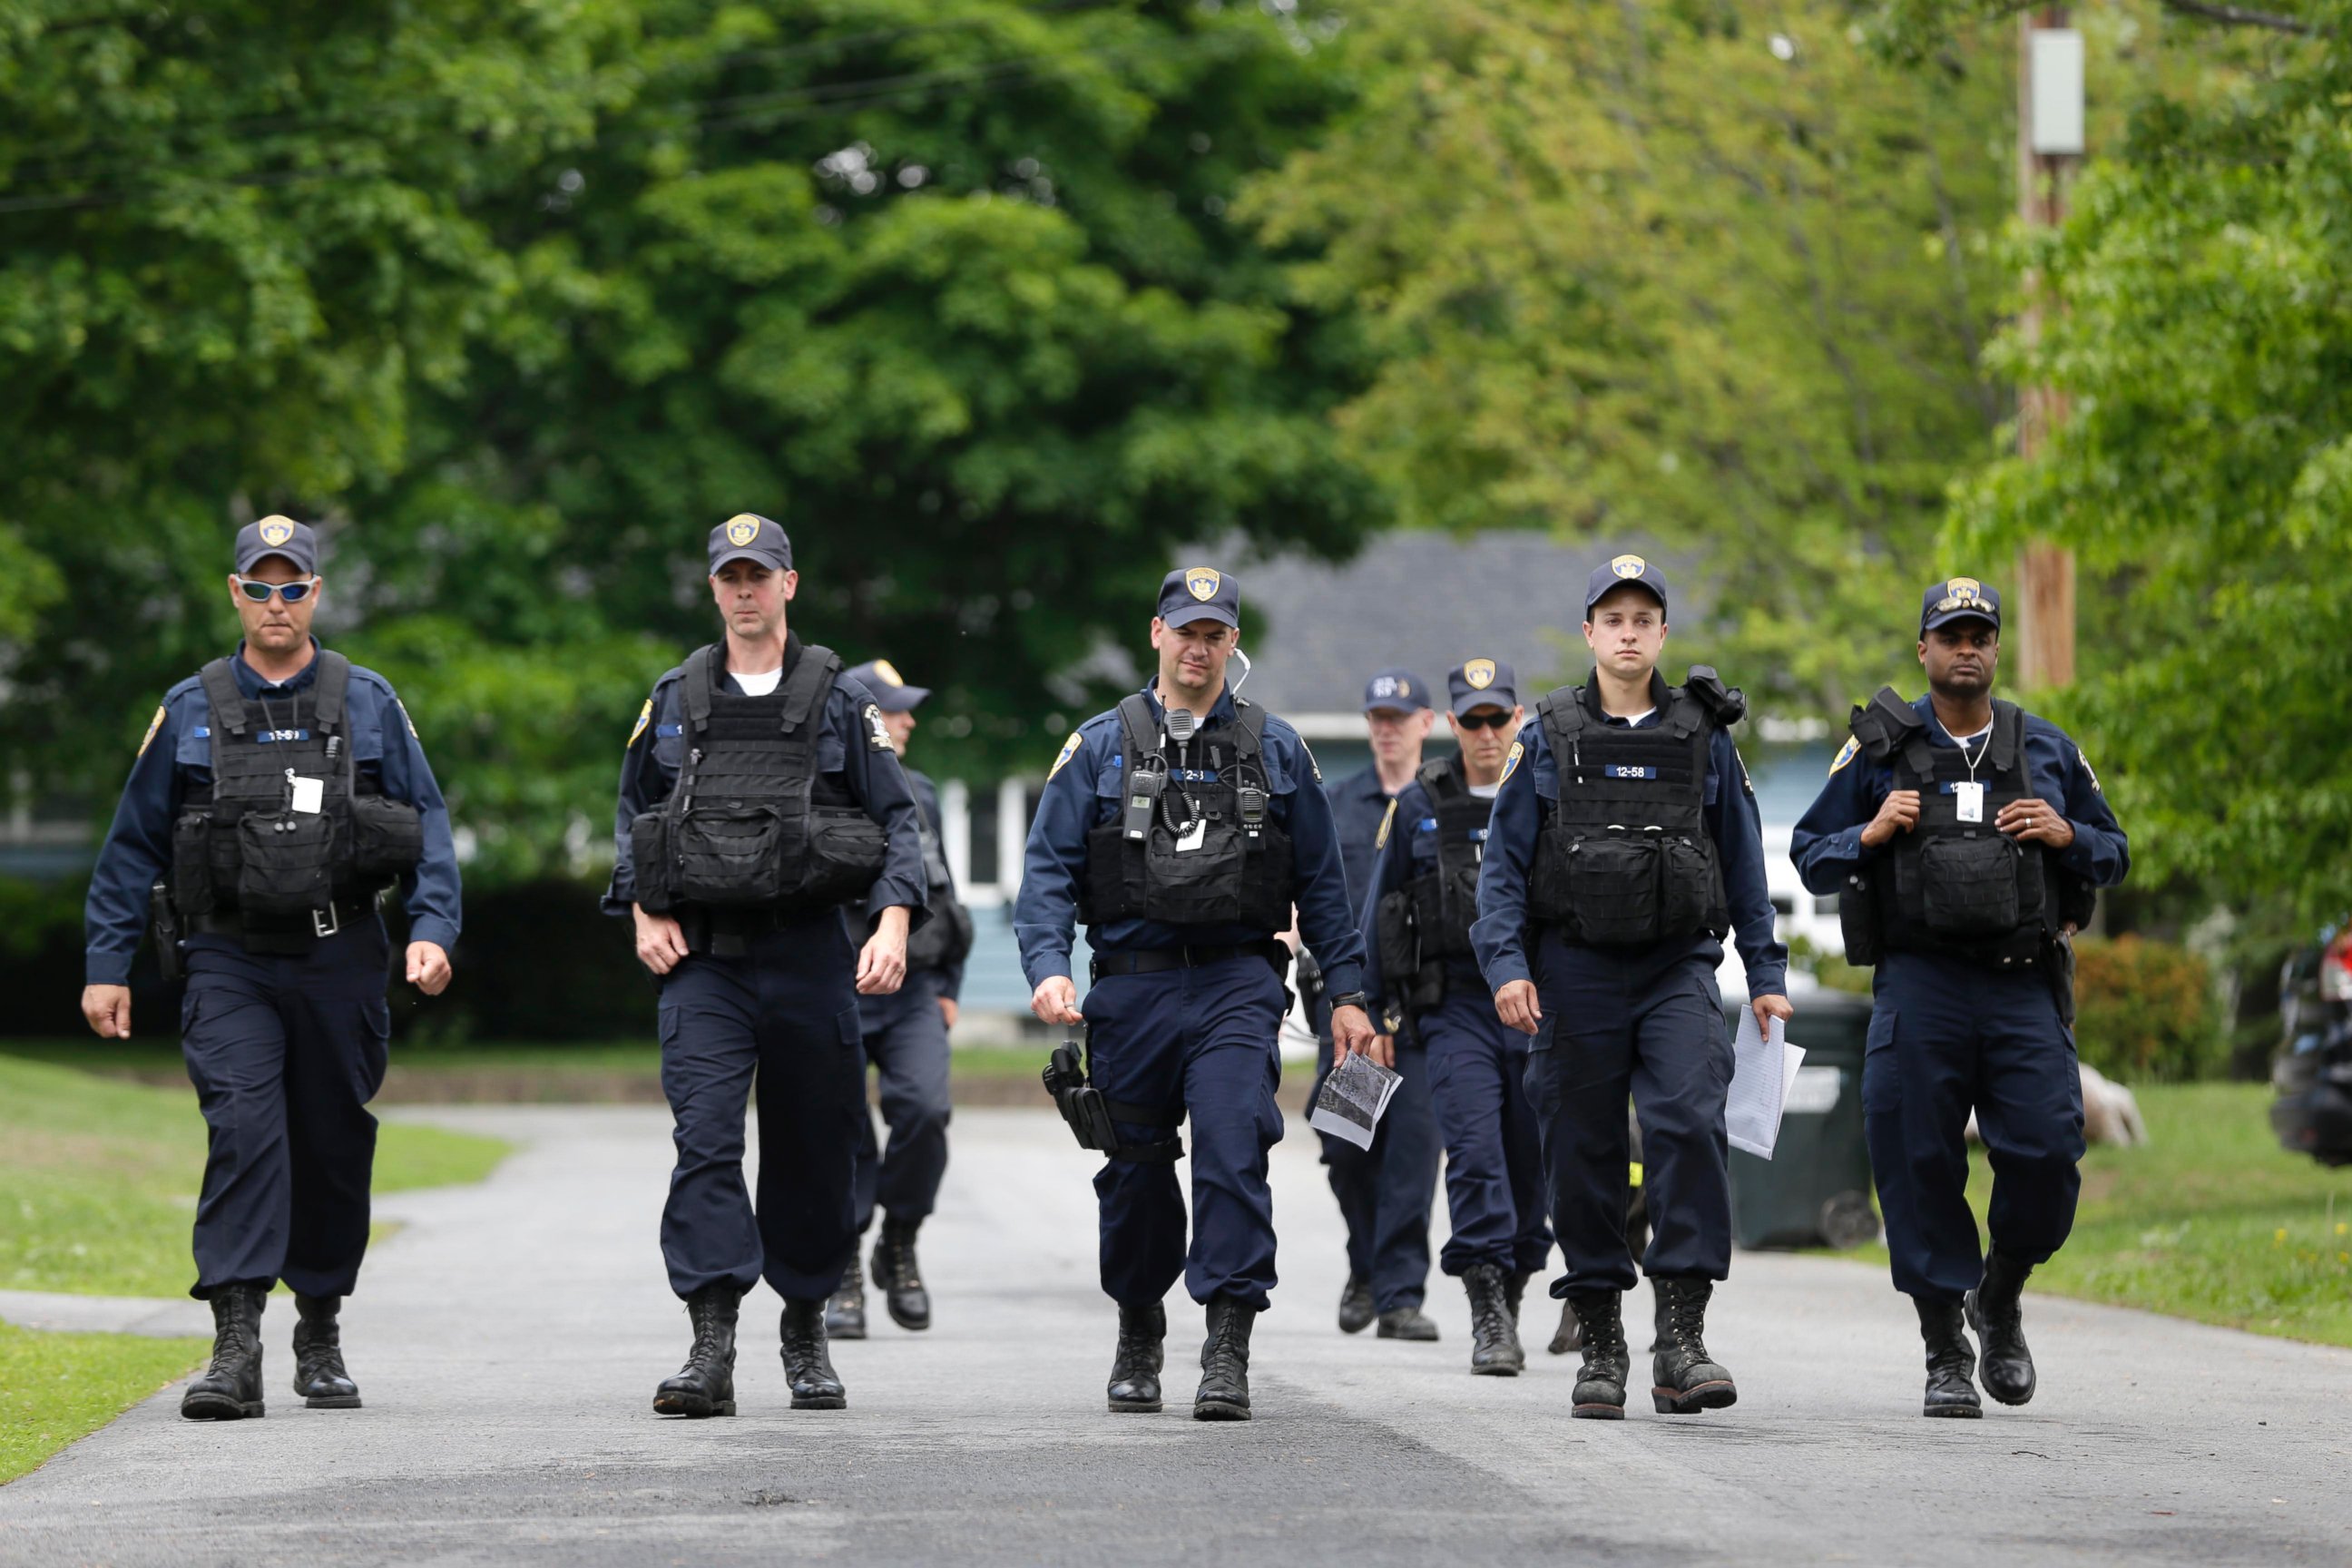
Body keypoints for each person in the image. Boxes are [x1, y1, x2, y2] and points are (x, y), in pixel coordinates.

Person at [80, 515, 460, 1421]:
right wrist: (107, 964)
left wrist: (434, 927)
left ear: (316, 595)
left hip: (340, 954)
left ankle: (319, 1329)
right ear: (235, 593)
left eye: (293, 587)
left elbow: (429, 825)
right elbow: (131, 848)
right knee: (245, 1130)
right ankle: (235, 1343)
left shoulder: (366, 699)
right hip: (229, 959)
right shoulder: (190, 705)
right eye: (261, 586)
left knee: (329, 1144)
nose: (276, 603)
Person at [1015, 564, 1376, 1422]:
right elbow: (1047, 871)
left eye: (1216, 633)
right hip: (1132, 991)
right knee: (1136, 1170)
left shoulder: (1276, 748)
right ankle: (1140, 1327)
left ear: (1233, 643)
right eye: (1187, 630)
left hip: (1235, 985)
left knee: (1231, 1148)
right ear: (1157, 633)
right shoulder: (1103, 742)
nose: (1199, 647)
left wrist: (1350, 995)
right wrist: (1047, 965)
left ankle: (1227, 1343)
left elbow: (1324, 886)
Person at [606, 514, 926, 1418]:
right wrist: (642, 907)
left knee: (812, 1151)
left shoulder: (836, 696)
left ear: (790, 584)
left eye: (760, 575)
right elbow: (634, 814)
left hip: (808, 955)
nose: (745, 590)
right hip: (705, 962)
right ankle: (711, 1345)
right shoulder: (675, 695)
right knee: (705, 1142)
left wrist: (893, 921)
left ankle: (806, 1327)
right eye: (730, 576)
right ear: (714, 589)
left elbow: (897, 820)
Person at [1790, 577, 2128, 1418]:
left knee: (2049, 1155)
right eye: (1951, 635)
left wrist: (2068, 834)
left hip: (2021, 987)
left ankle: (2000, 1296)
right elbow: (1808, 854)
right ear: (1924, 651)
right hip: (1921, 985)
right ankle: (1945, 1345)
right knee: (1915, 1161)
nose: (1966, 647)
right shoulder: (1876, 751)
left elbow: (2115, 851)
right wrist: (1866, 834)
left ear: (1997, 648)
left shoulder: (2046, 748)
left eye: (1980, 633)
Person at [1474, 554, 1789, 1420]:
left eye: (1642, 618)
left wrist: (1765, 974)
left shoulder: (1703, 736)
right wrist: (1506, 968)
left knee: (1689, 1118)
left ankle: (1681, 1339)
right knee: (1583, 1151)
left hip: (1676, 968)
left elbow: (1744, 861)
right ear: (1589, 633)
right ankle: (1602, 1337)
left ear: (1660, 632)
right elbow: (1500, 873)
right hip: (1572, 971)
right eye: (1611, 618)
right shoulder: (1545, 735)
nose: (1627, 632)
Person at [1361, 659, 1553, 1375]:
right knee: (1473, 1155)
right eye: (1469, 720)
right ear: (1450, 725)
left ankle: (1516, 1282)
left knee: (1531, 1170)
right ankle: (1486, 1309)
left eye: (1496, 719)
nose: (1484, 733)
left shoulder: (1546, 790)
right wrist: (1374, 1010)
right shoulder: (1419, 802)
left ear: (1517, 720)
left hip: (1535, 1008)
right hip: (1453, 1010)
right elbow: (1382, 913)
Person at [826, 659, 974, 1339]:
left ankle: (900, 1240)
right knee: (841, 1128)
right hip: (834, 987)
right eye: (894, 709)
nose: (909, 720)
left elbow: (941, 897)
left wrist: (948, 986)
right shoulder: (818, 788)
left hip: (914, 986)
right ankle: (846, 1266)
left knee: (925, 1110)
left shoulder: (921, 792)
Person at [1308, 669, 1442, 1340]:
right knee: (1346, 1147)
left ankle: (1399, 1296)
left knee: (1413, 1152)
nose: (1387, 728)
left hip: (1418, 1009)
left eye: (1400, 716)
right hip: (1351, 1015)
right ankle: (1365, 1264)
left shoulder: (1440, 803)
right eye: (1377, 717)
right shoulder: (1336, 805)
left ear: (1427, 723)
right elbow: (1307, 894)